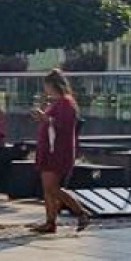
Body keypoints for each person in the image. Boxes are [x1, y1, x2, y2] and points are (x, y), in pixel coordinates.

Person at [31, 69, 91, 233]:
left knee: (52, 187)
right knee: (48, 188)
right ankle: (50, 222)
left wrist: (46, 118)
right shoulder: (56, 103)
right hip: (49, 150)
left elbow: (64, 125)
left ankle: (81, 212)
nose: (46, 89)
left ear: (53, 85)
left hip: (57, 151)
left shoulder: (66, 103)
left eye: (47, 86)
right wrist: (43, 118)